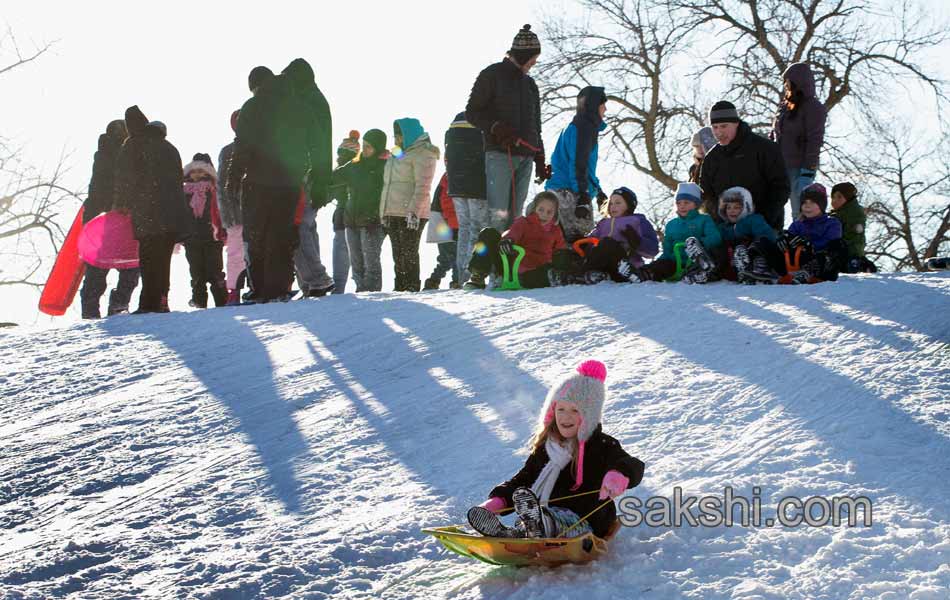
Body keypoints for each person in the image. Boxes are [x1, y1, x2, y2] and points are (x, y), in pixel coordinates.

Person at [466, 360, 644, 539]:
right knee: (533, 518)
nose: (566, 416)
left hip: (587, 521)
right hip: (544, 514)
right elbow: (525, 479)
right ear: (552, 412)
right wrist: (497, 501)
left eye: (575, 410)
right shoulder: (547, 447)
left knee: (550, 520)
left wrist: (619, 474)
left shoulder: (602, 445)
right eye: (561, 409)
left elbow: (633, 464)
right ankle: (515, 533)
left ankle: (536, 527)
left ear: (589, 415)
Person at [226, 63, 320, 302]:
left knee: (257, 235)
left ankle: (259, 289)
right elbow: (316, 143)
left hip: (258, 181)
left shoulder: (253, 106)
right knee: (282, 235)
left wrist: (234, 177)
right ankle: (278, 289)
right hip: (289, 183)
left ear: (255, 86)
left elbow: (243, 145)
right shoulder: (300, 106)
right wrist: (313, 172)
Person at [466, 24, 547, 231]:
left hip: (526, 157)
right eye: (532, 58)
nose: (533, 63)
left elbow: (536, 125)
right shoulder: (492, 75)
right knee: (498, 216)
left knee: (516, 219)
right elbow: (473, 112)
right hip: (500, 155)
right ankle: (489, 262)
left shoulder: (530, 85)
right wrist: (496, 127)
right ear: (522, 55)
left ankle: (510, 263)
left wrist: (540, 157)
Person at [113, 106, 189, 314]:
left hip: (148, 212)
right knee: (163, 259)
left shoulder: (133, 144)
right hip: (172, 213)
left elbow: (125, 177)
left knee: (148, 258)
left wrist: (121, 203)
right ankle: (162, 300)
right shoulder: (170, 147)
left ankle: (148, 303)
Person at [283, 58, 336, 298]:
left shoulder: (307, 100)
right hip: (317, 171)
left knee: (299, 224)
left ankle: (316, 279)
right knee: (308, 225)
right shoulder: (315, 98)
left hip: (309, 172)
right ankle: (311, 281)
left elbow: (316, 141)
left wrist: (319, 174)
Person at [80, 118, 140, 319]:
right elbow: (102, 187)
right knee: (128, 265)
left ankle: (98, 307)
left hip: (106, 215)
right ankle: (113, 304)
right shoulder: (115, 155)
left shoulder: (106, 154)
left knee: (111, 267)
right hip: (113, 216)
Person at [700, 101, 789, 229]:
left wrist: (763, 219)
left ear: (736, 123)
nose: (719, 132)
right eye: (715, 127)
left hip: (764, 228)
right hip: (726, 231)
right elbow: (707, 196)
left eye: (724, 126)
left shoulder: (765, 148)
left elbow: (781, 187)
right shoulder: (711, 159)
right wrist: (720, 222)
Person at [549, 186, 658, 285]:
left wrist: (637, 241)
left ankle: (578, 275)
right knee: (570, 252)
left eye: (618, 203)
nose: (613, 206)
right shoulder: (603, 223)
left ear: (629, 205)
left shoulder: (638, 221)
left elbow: (653, 251)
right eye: (611, 203)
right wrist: (583, 241)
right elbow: (592, 241)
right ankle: (580, 275)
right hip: (604, 266)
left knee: (607, 243)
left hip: (623, 265)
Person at [618, 183, 722, 284]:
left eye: (686, 202)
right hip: (675, 261)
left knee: (706, 252)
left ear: (696, 204)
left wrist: (700, 244)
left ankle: (699, 272)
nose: (682, 206)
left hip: (697, 259)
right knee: (662, 265)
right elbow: (667, 249)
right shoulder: (671, 225)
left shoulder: (704, 220)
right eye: (679, 203)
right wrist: (659, 261)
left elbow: (715, 237)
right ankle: (642, 274)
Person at [380, 118, 440, 292]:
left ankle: (411, 287)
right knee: (397, 255)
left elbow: (423, 186)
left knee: (409, 253)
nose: (396, 140)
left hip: (412, 212)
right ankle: (400, 288)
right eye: (395, 136)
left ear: (408, 134)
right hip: (393, 211)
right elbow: (388, 185)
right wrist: (383, 212)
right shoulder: (397, 154)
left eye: (399, 136)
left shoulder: (424, 153)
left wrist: (413, 211)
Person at [463, 191, 565, 290]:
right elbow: (513, 233)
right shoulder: (523, 223)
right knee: (488, 233)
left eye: (549, 212)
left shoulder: (555, 231)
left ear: (555, 214)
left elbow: (560, 251)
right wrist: (508, 240)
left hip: (537, 270)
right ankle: (478, 276)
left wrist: (562, 259)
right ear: (534, 209)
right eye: (541, 210)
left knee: (552, 270)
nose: (544, 215)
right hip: (512, 267)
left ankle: (553, 278)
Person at [545, 86, 608, 242]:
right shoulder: (583, 127)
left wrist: (598, 190)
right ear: (594, 105)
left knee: (569, 242)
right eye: (603, 104)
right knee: (576, 243)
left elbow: (584, 166)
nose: (605, 109)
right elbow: (578, 164)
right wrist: (583, 196)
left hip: (567, 189)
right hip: (569, 194)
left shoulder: (580, 126)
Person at [771, 63, 827, 220]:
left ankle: (802, 241)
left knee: (800, 209)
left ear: (798, 82)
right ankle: (777, 239)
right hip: (780, 166)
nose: (786, 86)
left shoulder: (813, 107)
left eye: (788, 82)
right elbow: (777, 134)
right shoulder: (785, 107)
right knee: (774, 208)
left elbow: (814, 140)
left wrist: (808, 169)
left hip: (800, 166)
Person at [335, 129, 389, 292]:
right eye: (364, 146)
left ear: (378, 147)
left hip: (372, 221)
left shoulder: (385, 166)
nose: (365, 150)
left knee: (370, 261)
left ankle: (372, 293)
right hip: (351, 219)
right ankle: (361, 289)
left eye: (369, 147)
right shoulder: (355, 165)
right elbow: (335, 176)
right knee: (356, 262)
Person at [445, 112, 488, 284]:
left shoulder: (455, 123)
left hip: (456, 185)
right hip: (477, 184)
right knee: (477, 229)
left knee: (464, 229)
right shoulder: (481, 122)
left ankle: (460, 275)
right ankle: (472, 275)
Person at [182, 153, 227, 308]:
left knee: (215, 271)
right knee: (196, 273)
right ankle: (199, 301)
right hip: (191, 237)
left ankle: (222, 301)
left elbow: (221, 211)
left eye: (202, 171)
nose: (197, 174)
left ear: (209, 172)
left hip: (212, 236)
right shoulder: (184, 192)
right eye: (194, 171)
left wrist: (223, 230)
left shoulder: (215, 189)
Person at [714, 186, 777, 283]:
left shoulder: (754, 220)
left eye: (736, 207)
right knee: (718, 246)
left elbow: (768, 236)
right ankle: (710, 267)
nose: (732, 210)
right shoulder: (723, 227)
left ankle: (759, 268)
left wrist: (741, 230)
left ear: (746, 207)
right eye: (728, 207)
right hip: (730, 263)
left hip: (753, 255)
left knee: (759, 242)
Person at [217, 110, 247, 305]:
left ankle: (254, 286)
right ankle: (234, 290)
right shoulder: (228, 151)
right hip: (237, 212)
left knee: (252, 252)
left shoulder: (260, 147)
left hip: (251, 211)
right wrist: (226, 215)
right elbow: (221, 185)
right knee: (236, 253)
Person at [330, 131, 361, 293]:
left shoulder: (347, 170)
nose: (338, 157)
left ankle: (340, 286)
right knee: (349, 250)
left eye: (342, 154)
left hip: (347, 216)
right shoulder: (342, 170)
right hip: (343, 215)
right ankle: (341, 285)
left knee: (345, 249)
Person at [423, 172, 460, 290]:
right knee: (455, 255)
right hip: (446, 221)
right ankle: (456, 281)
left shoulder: (449, 174)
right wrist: (454, 223)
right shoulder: (452, 175)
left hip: (443, 219)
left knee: (447, 256)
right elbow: (447, 202)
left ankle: (434, 280)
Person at [829, 182, 876, 273]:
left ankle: (859, 264)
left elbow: (852, 235)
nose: (835, 200)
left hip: (851, 250)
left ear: (848, 198)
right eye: (833, 197)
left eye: (839, 197)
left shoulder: (854, 212)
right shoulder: (837, 213)